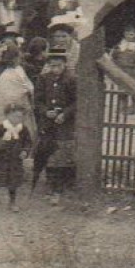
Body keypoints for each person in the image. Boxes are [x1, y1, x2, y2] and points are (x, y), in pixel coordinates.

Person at [34, 49, 78, 204]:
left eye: (58, 66)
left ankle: (60, 187)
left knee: (62, 154)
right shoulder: (43, 79)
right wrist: (46, 112)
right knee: (48, 152)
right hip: (48, 123)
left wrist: (64, 114)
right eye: (52, 66)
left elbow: (76, 102)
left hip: (64, 124)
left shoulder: (71, 80)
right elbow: (37, 101)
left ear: (65, 64)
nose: (55, 70)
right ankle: (51, 185)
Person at [0, 103, 32, 212]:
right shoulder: (0, 127)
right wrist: (1, 143)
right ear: (7, 115)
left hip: (15, 160)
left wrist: (25, 151)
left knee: (13, 181)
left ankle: (12, 202)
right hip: (1, 159)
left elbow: (28, 142)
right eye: (15, 116)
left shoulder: (23, 129)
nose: (18, 119)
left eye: (20, 117)